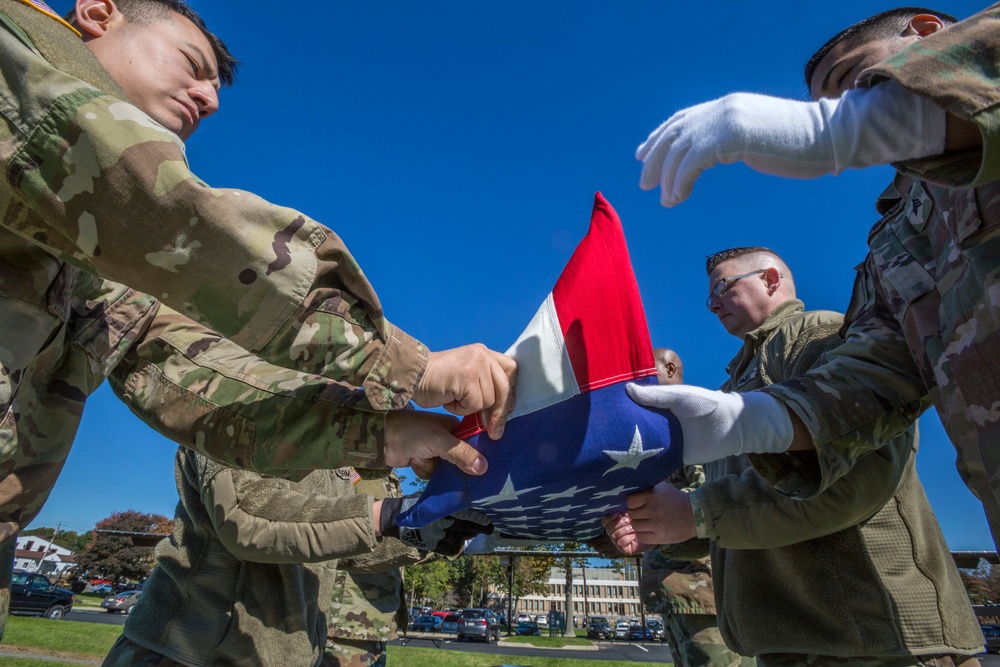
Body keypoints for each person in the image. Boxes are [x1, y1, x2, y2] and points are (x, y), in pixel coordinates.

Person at [0, 0, 512, 638]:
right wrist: (409, 366)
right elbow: (147, 200)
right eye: (193, 65)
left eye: (214, 87)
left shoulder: (99, 272)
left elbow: (192, 376)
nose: (208, 99)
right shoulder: (13, 53)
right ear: (99, 12)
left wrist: (387, 433)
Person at [626, 6, 1000, 546]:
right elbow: (876, 383)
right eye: (829, 107)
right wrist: (747, 421)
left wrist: (848, 130)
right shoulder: (896, 243)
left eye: (855, 84)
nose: (851, 110)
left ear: (927, 33)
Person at [606, 247, 984, 666]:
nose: (712, 303)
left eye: (722, 287)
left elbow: (857, 479)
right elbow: (724, 522)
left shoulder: (818, 334)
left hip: (873, 638)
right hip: (799, 639)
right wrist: (661, 523)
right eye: (708, 296)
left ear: (770, 279)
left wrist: (696, 512)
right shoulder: (732, 387)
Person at [101, 446, 471, 667]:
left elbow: (335, 544)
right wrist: (388, 516)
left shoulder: (328, 445)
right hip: (189, 656)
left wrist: (430, 531)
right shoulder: (236, 399)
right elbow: (249, 514)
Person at [641, 349, 751, 667]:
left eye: (646, 371)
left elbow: (708, 489)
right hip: (673, 587)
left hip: (701, 587)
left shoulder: (692, 421)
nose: (639, 381)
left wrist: (655, 512)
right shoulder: (658, 430)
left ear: (671, 368)